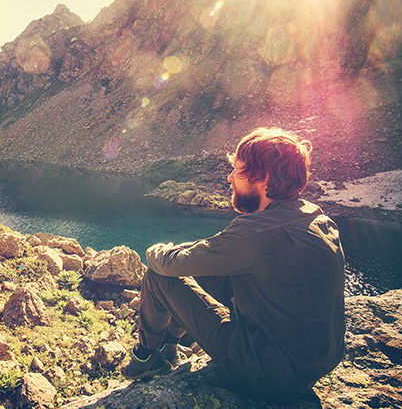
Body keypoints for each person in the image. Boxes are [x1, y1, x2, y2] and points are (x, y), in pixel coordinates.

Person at [121, 127, 345, 404]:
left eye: (237, 171)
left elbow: (170, 263)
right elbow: (218, 254)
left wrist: (156, 250)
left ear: (264, 179)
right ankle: (168, 346)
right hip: (313, 365)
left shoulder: (256, 233)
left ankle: (146, 358)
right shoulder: (317, 219)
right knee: (205, 272)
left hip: (266, 374)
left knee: (159, 276)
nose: (229, 178)